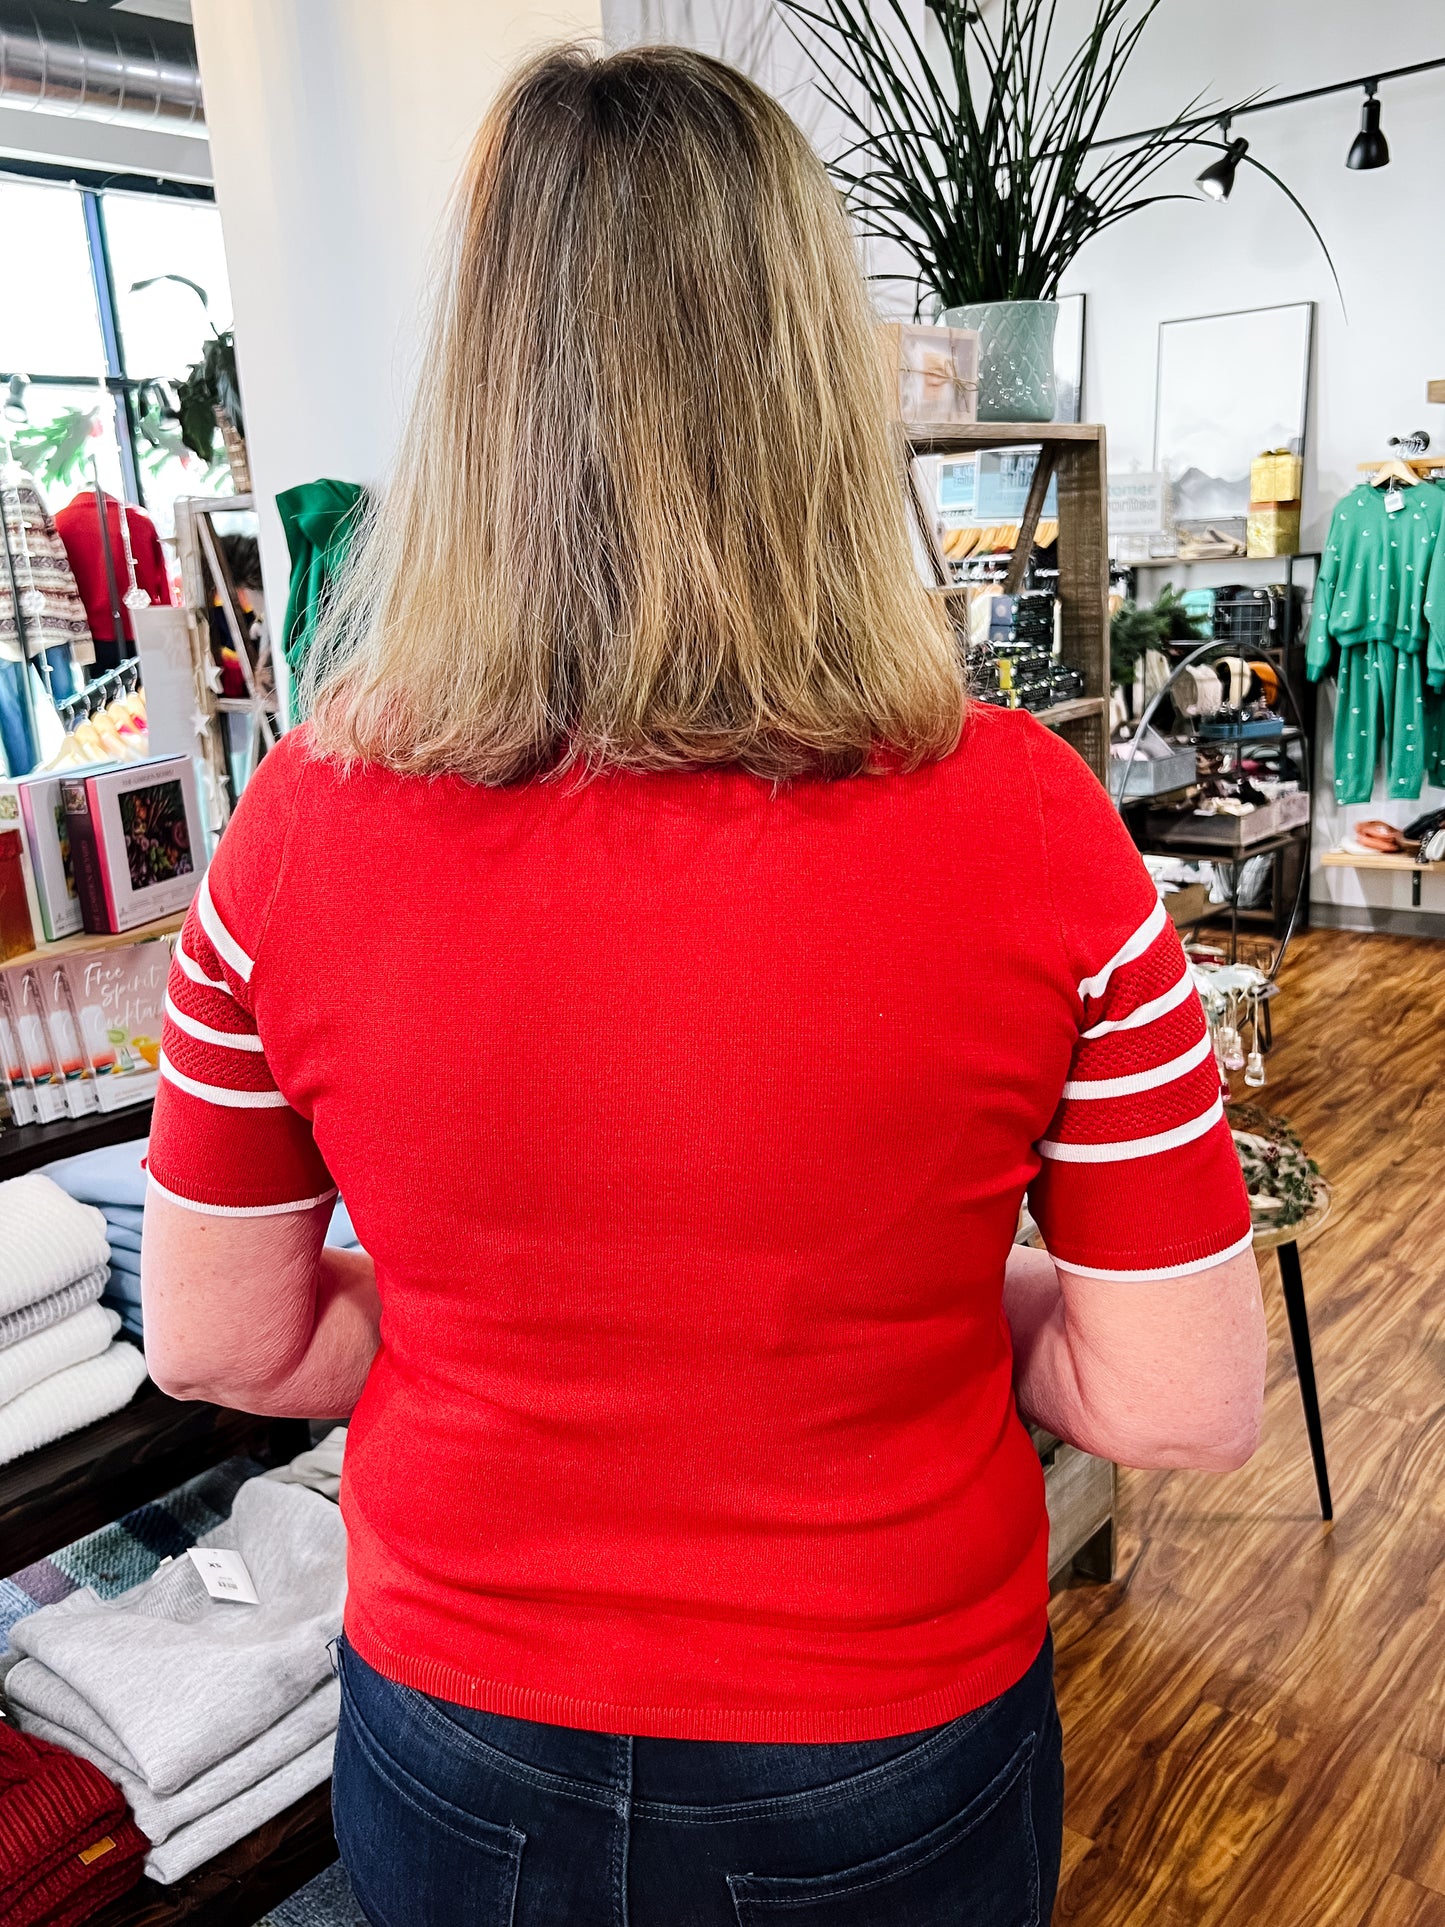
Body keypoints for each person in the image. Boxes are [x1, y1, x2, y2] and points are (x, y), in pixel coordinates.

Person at [141, 43, 1266, 1927]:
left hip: (460, 1717)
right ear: (817, 385)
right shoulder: (1030, 829)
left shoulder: (299, 834)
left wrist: (498, 1338)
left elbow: (220, 1345)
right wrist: (912, 1317)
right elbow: (1176, 1400)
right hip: (883, 1732)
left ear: (479, 392)